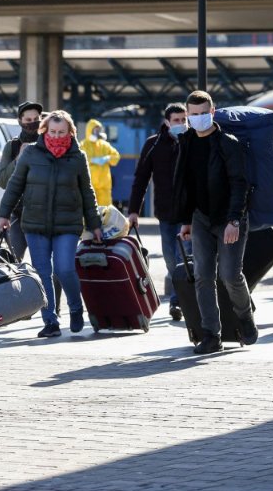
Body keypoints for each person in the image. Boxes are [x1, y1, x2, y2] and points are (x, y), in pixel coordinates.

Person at [0, 110, 103, 337]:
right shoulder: (31, 153)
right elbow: (15, 185)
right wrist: (4, 214)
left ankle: (76, 308)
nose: (56, 136)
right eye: (52, 131)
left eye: (61, 132)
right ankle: (50, 321)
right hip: (35, 224)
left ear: (70, 132)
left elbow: (87, 192)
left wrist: (94, 224)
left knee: (64, 269)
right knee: (42, 273)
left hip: (68, 224)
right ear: (44, 130)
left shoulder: (78, 157)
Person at [173, 90, 256, 354]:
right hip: (200, 217)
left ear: (213, 111)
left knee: (231, 275)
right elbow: (185, 183)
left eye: (203, 113)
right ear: (187, 115)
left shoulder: (228, 143)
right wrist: (186, 220)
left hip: (229, 217)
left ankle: (245, 317)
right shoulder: (185, 142)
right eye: (193, 115)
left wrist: (234, 220)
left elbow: (239, 184)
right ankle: (211, 334)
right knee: (202, 276)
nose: (198, 119)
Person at [128, 103, 189, 321]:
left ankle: (178, 302)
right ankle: (180, 297)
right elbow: (141, 178)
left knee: (186, 259)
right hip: (165, 214)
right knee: (171, 260)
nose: (181, 124)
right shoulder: (154, 145)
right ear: (166, 122)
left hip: (189, 213)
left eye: (184, 120)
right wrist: (133, 210)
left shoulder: (193, 141)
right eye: (176, 121)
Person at [0, 100, 42, 258]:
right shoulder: (13, 146)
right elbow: (2, 181)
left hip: (43, 216)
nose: (33, 123)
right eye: (28, 120)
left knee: (44, 265)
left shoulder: (48, 144)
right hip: (19, 215)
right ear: (20, 122)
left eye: (36, 119)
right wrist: (18, 159)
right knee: (14, 262)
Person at [81, 118, 120, 207]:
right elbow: (81, 159)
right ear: (89, 130)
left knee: (106, 211)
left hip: (104, 185)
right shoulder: (83, 145)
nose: (97, 132)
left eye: (99, 130)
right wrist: (93, 160)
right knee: (89, 208)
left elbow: (116, 157)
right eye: (95, 130)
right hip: (89, 185)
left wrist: (108, 158)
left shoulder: (104, 145)